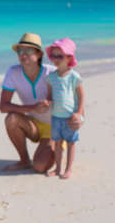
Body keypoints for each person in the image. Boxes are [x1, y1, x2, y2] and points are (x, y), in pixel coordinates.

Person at [0, 33, 56, 172]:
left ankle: (56, 148)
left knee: (40, 167)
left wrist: (50, 102)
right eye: (20, 50)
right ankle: (24, 160)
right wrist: (32, 108)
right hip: (33, 124)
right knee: (11, 118)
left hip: (54, 128)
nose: (23, 54)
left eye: (28, 50)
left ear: (38, 54)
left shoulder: (52, 72)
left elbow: (69, 100)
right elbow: (3, 106)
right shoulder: (13, 72)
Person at [45, 38, 84, 179]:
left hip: (70, 117)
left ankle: (68, 169)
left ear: (69, 57)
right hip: (56, 116)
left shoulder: (74, 76)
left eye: (59, 56)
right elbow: (49, 96)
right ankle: (57, 168)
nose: (55, 59)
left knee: (71, 143)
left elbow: (81, 96)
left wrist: (79, 113)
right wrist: (47, 102)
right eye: (53, 56)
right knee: (57, 143)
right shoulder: (51, 77)